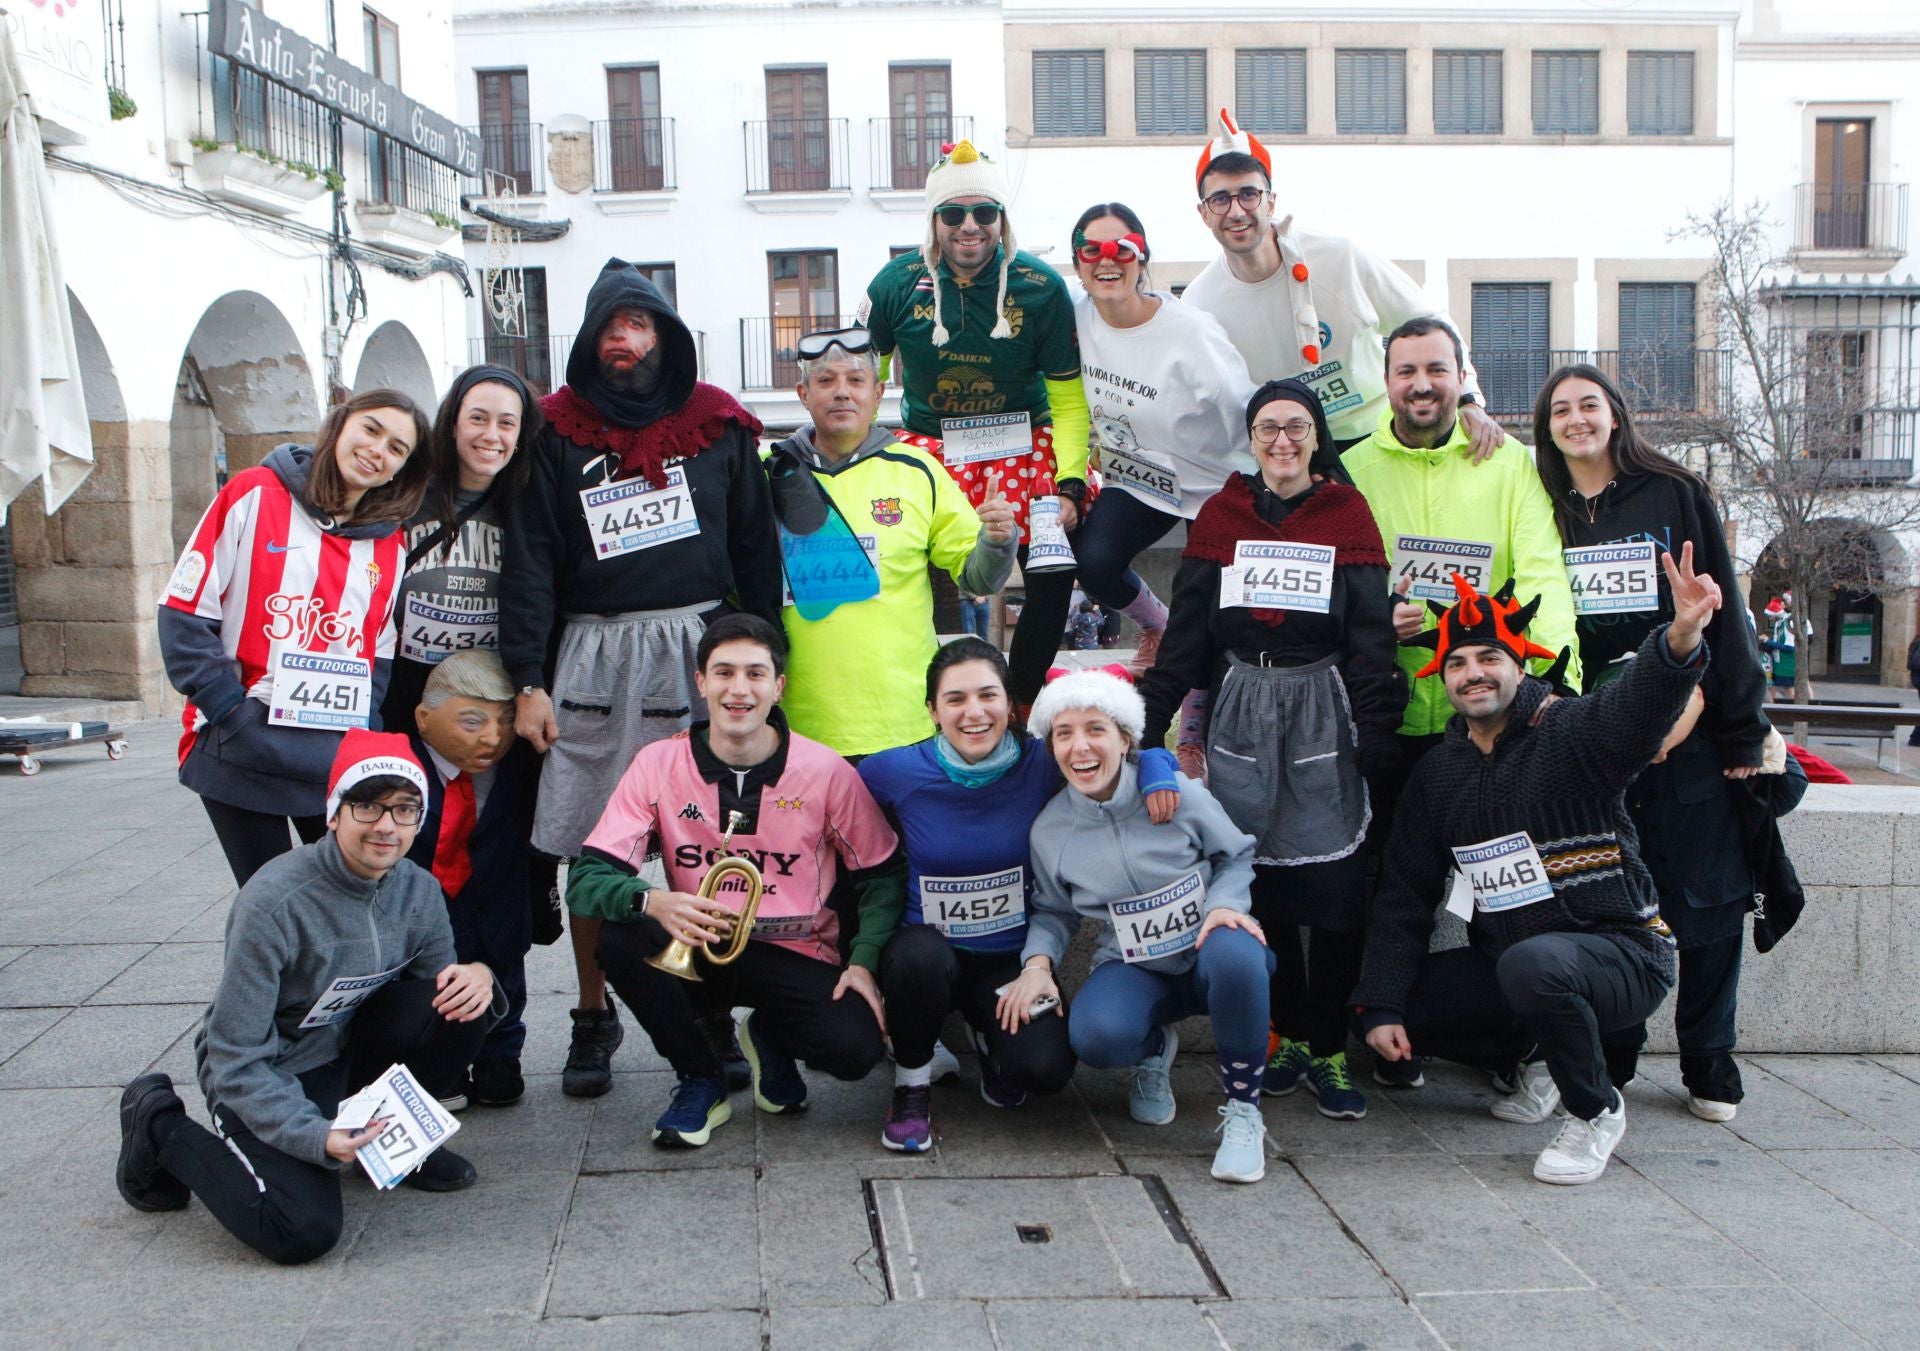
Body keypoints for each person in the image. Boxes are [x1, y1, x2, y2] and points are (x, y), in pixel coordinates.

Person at [502, 259, 783, 1099]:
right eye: (611, 329)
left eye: (640, 326)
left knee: (705, 844)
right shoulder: (552, 430)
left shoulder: (720, 424)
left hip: (698, 647)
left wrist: (767, 663)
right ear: (592, 339)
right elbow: (533, 558)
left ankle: (707, 1007)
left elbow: (754, 549)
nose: (626, 342)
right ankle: (593, 1012)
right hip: (591, 652)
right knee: (595, 840)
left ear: (665, 333)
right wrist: (528, 676)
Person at [1353, 552, 1719, 1186]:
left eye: (1490, 658)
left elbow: (1637, 709)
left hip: (1623, 953)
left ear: (1519, 668)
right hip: (1515, 964)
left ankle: (1595, 1110)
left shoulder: (1572, 732)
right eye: (1459, 663)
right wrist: (1381, 1004)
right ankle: (1537, 1054)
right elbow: (1404, 896)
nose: (1474, 674)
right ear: (1443, 679)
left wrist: (1681, 636)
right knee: (1375, 1005)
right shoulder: (1440, 775)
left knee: (1535, 966)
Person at [115, 732, 500, 1264]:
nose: (386, 825)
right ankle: (157, 1124)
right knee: (301, 1230)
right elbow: (236, 1055)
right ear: (334, 813)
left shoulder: (418, 889)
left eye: (405, 809)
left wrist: (478, 975)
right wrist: (313, 1137)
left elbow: (435, 994)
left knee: (461, 1003)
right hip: (272, 1068)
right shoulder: (274, 902)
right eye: (367, 805)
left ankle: (392, 1143)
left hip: (347, 1051)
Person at [1138, 378, 1402, 1121]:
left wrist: (1376, 730)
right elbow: (1187, 634)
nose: (1281, 441)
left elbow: (1370, 634)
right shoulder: (1222, 515)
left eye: (1295, 427)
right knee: (1262, 881)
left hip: (1323, 710)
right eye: (1266, 429)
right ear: (1250, 440)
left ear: (1316, 436)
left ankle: (1327, 1043)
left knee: (1338, 890)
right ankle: (1286, 1032)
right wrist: (1145, 716)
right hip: (1241, 714)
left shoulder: (1347, 514)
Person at [1532, 364, 1775, 1118]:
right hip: (1595, 736)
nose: (1576, 419)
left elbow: (1723, 610)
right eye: (1560, 410)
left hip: (1692, 721)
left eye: (1589, 405)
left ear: (1615, 414)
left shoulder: (1674, 493)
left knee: (1706, 896)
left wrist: (1741, 724)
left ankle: (1709, 1053)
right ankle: (1619, 1047)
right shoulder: (1544, 505)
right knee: (1611, 900)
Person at [562, 615, 906, 1147]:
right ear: (700, 682)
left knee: (855, 1053)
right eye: (723, 673)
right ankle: (701, 1078)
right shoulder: (658, 763)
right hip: (700, 945)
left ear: (778, 686)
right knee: (622, 935)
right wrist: (653, 900)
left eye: (755, 673)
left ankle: (768, 1034)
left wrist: (863, 961)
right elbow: (588, 876)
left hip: (798, 954)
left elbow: (883, 875)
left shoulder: (827, 770)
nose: (739, 689)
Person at [860, 641, 1165, 1152]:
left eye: (988, 696)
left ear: (1012, 705)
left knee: (1044, 1072)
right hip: (925, 959)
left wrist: (1156, 770)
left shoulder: (1041, 764)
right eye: (955, 700)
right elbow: (826, 798)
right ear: (933, 710)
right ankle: (911, 1088)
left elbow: (1130, 755)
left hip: (1011, 962)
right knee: (919, 955)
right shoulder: (894, 772)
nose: (974, 712)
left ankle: (991, 1041)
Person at [1006, 669, 1274, 1184]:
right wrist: (1037, 963)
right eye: (1064, 733)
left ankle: (1243, 1111)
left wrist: (1224, 904)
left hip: (1210, 950)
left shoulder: (1174, 794)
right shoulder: (1050, 830)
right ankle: (1153, 1051)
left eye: (1095, 729)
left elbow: (1236, 855)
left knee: (1238, 955)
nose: (1079, 747)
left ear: (1126, 737)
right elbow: (1053, 910)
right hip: (1133, 965)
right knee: (1094, 1036)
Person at [159, 389, 432, 886]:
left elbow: (379, 654)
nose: (378, 450)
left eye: (397, 448)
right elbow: (184, 611)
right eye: (371, 430)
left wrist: (360, 735)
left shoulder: (390, 545)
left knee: (344, 901)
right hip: (241, 747)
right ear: (340, 426)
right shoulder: (253, 493)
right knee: (271, 903)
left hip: (330, 762)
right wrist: (231, 712)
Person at [861, 140, 1092, 710]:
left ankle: (1021, 700)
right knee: (902, 566)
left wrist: (1069, 486)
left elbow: (1067, 400)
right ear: (934, 220)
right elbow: (865, 378)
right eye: (954, 214)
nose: (970, 227)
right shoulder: (893, 284)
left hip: (1027, 441)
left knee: (1052, 566)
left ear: (1002, 220)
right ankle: (916, 698)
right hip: (932, 445)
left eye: (985, 213)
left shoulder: (1040, 286)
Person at [1181, 111, 1499, 457]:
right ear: (1204, 213)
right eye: (1220, 199)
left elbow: (1430, 321)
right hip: (1291, 456)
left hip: (1380, 435)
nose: (1237, 211)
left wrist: (1468, 398)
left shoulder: (1340, 256)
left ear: (1271, 201)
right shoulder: (1200, 302)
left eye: (1248, 194)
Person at [765, 326, 1017, 757]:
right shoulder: (766, 472)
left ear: (878, 392)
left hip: (904, 728)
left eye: (856, 380)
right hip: (793, 731)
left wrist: (997, 540)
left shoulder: (918, 470)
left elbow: (977, 579)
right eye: (826, 381)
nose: (842, 392)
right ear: (803, 393)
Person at [1345, 318, 1580, 764]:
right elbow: (1338, 591)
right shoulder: (1351, 472)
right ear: (1386, 381)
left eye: (1436, 370)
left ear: (1460, 377)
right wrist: (1378, 618)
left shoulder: (1509, 463)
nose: (1421, 385)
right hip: (1386, 718)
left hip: (1498, 716)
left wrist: (1556, 686)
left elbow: (1542, 578)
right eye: (1406, 372)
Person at [1067, 202, 1255, 676]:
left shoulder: (1190, 333)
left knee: (1206, 615)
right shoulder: (1076, 317)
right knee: (1093, 563)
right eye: (1092, 251)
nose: (1107, 261)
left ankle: (1193, 738)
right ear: (1077, 265)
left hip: (1214, 483)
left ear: (1143, 259)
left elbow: (1242, 408)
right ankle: (1156, 626)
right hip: (1140, 477)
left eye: (1122, 250)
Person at [404, 651, 539, 1109]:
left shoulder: (520, 764)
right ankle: (444, 1061)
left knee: (505, 974)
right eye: (472, 722)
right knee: (434, 985)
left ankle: (500, 1053)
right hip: (433, 915)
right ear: (424, 719)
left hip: (500, 903)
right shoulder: (400, 767)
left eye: (504, 722)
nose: (493, 737)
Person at [379, 365, 541, 737]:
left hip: (493, 696)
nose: (491, 435)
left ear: (520, 435)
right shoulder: (405, 494)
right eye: (478, 419)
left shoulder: (528, 507)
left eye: (506, 423)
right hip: (403, 688)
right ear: (453, 423)